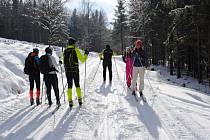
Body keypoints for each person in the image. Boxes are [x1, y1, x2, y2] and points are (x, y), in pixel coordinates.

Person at [62, 37, 89, 108]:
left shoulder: (65, 51)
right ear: (73, 43)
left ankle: (70, 101)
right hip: (75, 70)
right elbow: (83, 60)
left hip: (68, 71)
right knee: (77, 85)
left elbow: (63, 60)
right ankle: (79, 99)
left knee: (69, 86)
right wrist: (86, 54)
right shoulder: (75, 50)